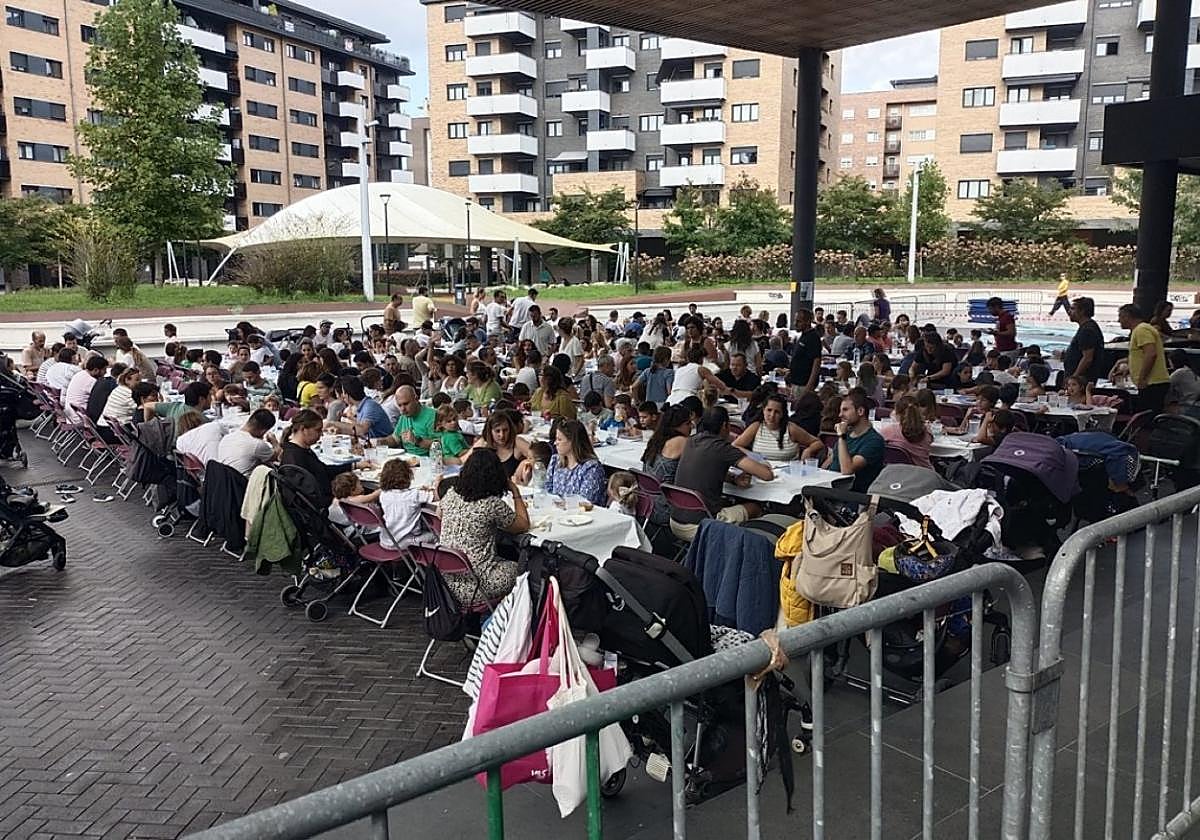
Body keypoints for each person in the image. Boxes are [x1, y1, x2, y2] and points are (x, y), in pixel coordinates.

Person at [438, 448, 529, 605]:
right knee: (523, 569)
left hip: (447, 580)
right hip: (478, 584)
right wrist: (515, 491)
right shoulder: (492, 504)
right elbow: (523, 525)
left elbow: (440, 514)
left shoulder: (451, 494)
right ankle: (511, 616)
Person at [670, 405, 774, 539]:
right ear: (725, 426)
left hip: (675, 520)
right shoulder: (722, 448)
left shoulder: (691, 441)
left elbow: (705, 467)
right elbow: (766, 475)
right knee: (755, 508)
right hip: (701, 526)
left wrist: (732, 479)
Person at [278, 410, 352, 508]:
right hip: (320, 507)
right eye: (318, 430)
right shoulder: (296, 458)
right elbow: (307, 494)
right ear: (303, 429)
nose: (321, 434)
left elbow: (323, 470)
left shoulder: (299, 451)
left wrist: (353, 466)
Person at [823, 391, 886, 493]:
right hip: (829, 487)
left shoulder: (874, 441)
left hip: (851, 495)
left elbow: (847, 470)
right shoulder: (847, 434)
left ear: (860, 411)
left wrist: (841, 437)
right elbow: (832, 460)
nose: (840, 415)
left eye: (845, 410)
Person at [733, 392, 823, 462]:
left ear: (782, 414)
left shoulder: (791, 429)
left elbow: (817, 442)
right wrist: (751, 455)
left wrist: (808, 450)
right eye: (769, 410)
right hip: (761, 470)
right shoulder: (756, 427)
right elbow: (735, 445)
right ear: (763, 410)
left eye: (777, 412)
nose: (772, 415)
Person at [1118, 303, 1170, 413]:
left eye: (1120, 317)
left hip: (1152, 383)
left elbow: (1151, 354)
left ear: (1127, 316)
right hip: (1151, 383)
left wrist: (1142, 378)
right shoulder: (1141, 330)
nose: (1119, 321)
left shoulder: (1141, 330)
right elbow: (1141, 355)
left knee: (1146, 419)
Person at [375, 458, 435, 549]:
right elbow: (434, 496)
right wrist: (438, 483)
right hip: (405, 542)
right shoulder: (414, 495)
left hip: (386, 540)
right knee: (436, 536)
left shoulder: (384, 494)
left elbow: (401, 496)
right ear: (408, 476)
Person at [545, 419, 607, 506]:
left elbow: (586, 502)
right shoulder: (555, 461)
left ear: (572, 442)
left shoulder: (591, 469)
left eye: (559, 439)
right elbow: (547, 491)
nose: (555, 443)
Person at [325, 376, 394, 439]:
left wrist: (334, 423)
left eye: (343, 392)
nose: (342, 396)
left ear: (348, 394)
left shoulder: (370, 406)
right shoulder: (363, 405)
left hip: (386, 448)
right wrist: (340, 430)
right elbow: (357, 429)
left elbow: (362, 430)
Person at [217, 408, 281, 475]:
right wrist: (274, 441)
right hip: (243, 483)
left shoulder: (226, 438)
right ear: (263, 431)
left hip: (224, 481)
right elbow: (278, 456)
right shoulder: (257, 444)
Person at [880, 396, 933, 469]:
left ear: (897, 413)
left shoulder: (890, 430)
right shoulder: (927, 430)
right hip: (925, 473)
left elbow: (877, 442)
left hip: (898, 473)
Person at [1059, 296, 1103, 383]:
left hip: (1081, 380)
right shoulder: (1087, 327)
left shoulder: (1087, 331)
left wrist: (1074, 377)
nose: (1069, 312)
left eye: (1072, 309)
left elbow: (1087, 358)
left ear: (1082, 311)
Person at [786, 309, 822, 393]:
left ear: (808, 321)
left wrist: (809, 385)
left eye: (799, 321)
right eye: (795, 320)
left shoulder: (813, 338)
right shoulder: (803, 336)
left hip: (804, 384)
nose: (795, 324)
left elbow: (816, 362)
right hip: (796, 382)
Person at [63, 355, 108, 421]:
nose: (105, 372)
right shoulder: (91, 381)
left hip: (71, 416)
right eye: (104, 370)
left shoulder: (80, 374)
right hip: (81, 418)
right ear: (96, 370)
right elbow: (101, 398)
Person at [1167, 350, 1200, 415]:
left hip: (1188, 406)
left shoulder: (1179, 373)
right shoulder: (1190, 370)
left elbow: (1167, 385)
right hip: (1195, 403)